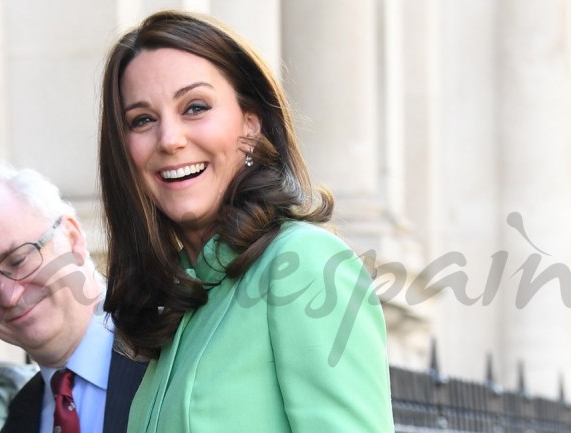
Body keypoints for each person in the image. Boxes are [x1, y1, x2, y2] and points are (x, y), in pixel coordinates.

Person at [98, 10, 394, 433]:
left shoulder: (304, 263)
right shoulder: (180, 301)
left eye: (195, 107)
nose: (169, 139)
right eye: (142, 119)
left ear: (250, 126)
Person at [0, 164, 146, 433]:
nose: (9, 295)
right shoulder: (19, 419)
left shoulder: (171, 355)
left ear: (72, 238)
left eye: (18, 260)